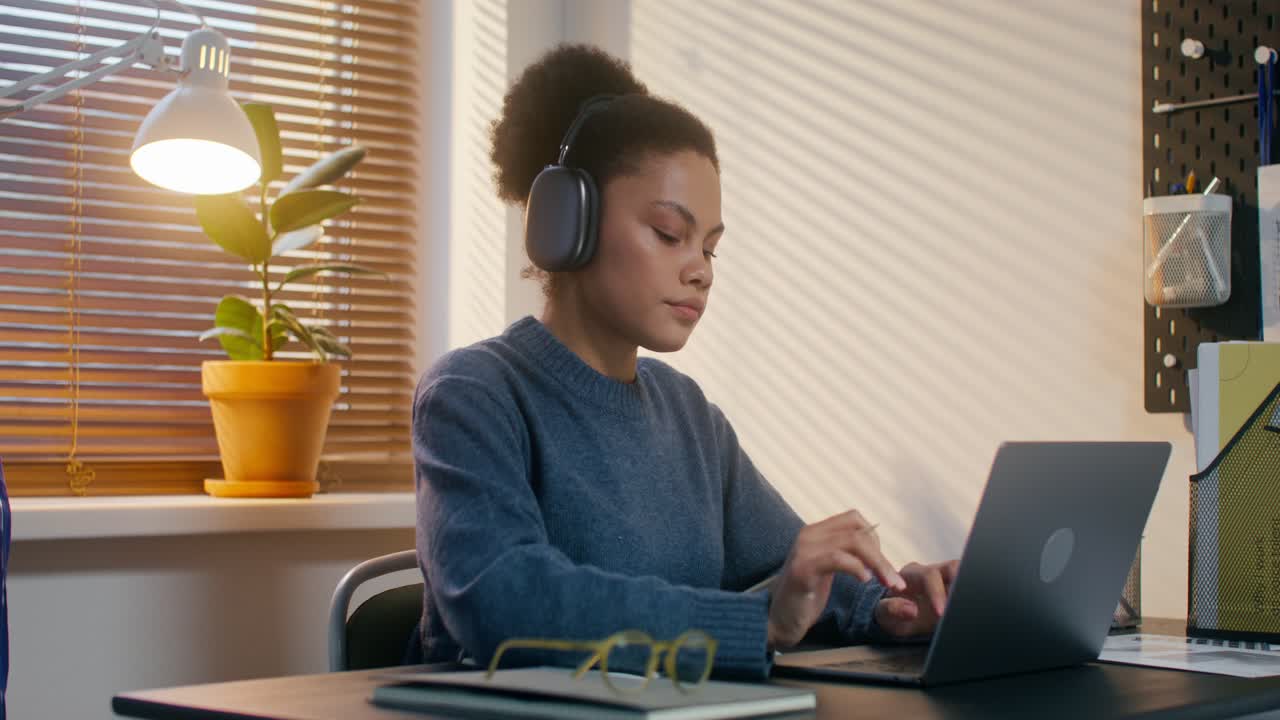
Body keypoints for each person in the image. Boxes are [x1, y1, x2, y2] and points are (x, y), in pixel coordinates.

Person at [410, 43, 958, 681]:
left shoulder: (690, 416)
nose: (699, 270)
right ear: (568, 221)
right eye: (670, 234)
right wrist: (760, 624)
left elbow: (790, 571)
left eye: (711, 249)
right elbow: (505, 601)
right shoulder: (472, 394)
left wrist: (890, 603)